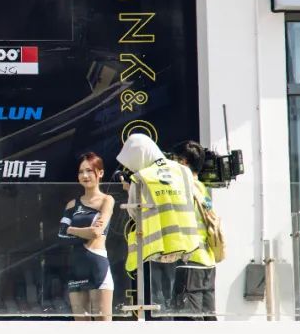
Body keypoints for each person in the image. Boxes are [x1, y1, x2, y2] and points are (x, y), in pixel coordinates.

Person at [116, 133, 201, 316]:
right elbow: (190, 202)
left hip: (154, 249)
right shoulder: (183, 171)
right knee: (179, 307)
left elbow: (134, 212)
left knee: (155, 306)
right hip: (186, 248)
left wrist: (130, 190)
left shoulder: (141, 177)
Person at [57, 152, 115, 320]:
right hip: (76, 268)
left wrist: (71, 229)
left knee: (103, 327)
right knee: (80, 329)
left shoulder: (107, 200)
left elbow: (96, 232)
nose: (85, 175)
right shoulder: (72, 204)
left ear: (100, 173)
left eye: (89, 170)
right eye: (81, 172)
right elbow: (61, 234)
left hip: (98, 265)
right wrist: (85, 231)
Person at [169, 140, 218, 320]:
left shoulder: (183, 187)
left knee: (188, 322)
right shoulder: (201, 187)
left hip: (189, 260)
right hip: (207, 262)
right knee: (208, 319)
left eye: (174, 159)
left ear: (183, 162)